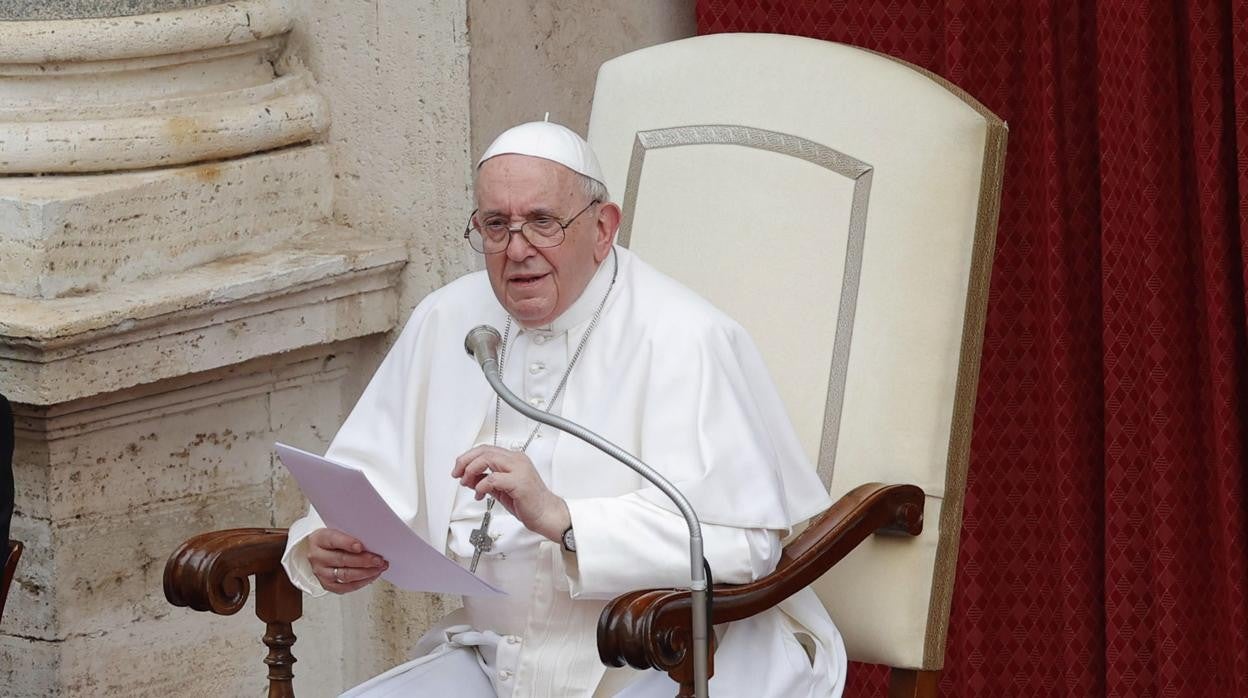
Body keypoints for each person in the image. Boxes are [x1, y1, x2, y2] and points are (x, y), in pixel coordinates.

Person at [281, 121, 847, 697]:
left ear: (603, 228)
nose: (516, 249)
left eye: (543, 223)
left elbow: (745, 548)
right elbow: (367, 475)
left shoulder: (686, 337)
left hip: (670, 660)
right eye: (496, 225)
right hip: (499, 661)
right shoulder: (447, 319)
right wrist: (326, 539)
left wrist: (565, 520)